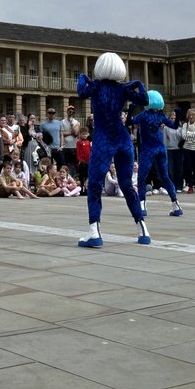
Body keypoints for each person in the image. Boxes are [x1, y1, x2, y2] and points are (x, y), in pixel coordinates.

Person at [76, 51, 149, 248]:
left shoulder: (97, 86)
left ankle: (94, 232)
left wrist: (82, 77)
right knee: (126, 185)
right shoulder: (123, 89)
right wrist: (137, 83)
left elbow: (81, 92)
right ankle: (142, 229)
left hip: (103, 139)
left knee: (94, 184)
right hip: (123, 139)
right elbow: (144, 99)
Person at [128, 91, 182, 216]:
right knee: (165, 176)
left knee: (142, 177)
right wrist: (178, 115)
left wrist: (131, 110)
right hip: (161, 148)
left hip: (148, 149)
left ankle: (142, 205)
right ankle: (176, 204)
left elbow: (129, 122)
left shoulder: (144, 115)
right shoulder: (161, 116)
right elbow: (174, 126)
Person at [59, 104, 80, 169]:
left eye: (72, 112)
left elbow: (76, 134)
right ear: (67, 112)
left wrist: (71, 124)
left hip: (74, 147)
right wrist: (71, 133)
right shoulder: (62, 122)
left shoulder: (76, 122)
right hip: (65, 147)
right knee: (65, 164)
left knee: (74, 164)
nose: (71, 113)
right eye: (69, 111)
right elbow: (61, 133)